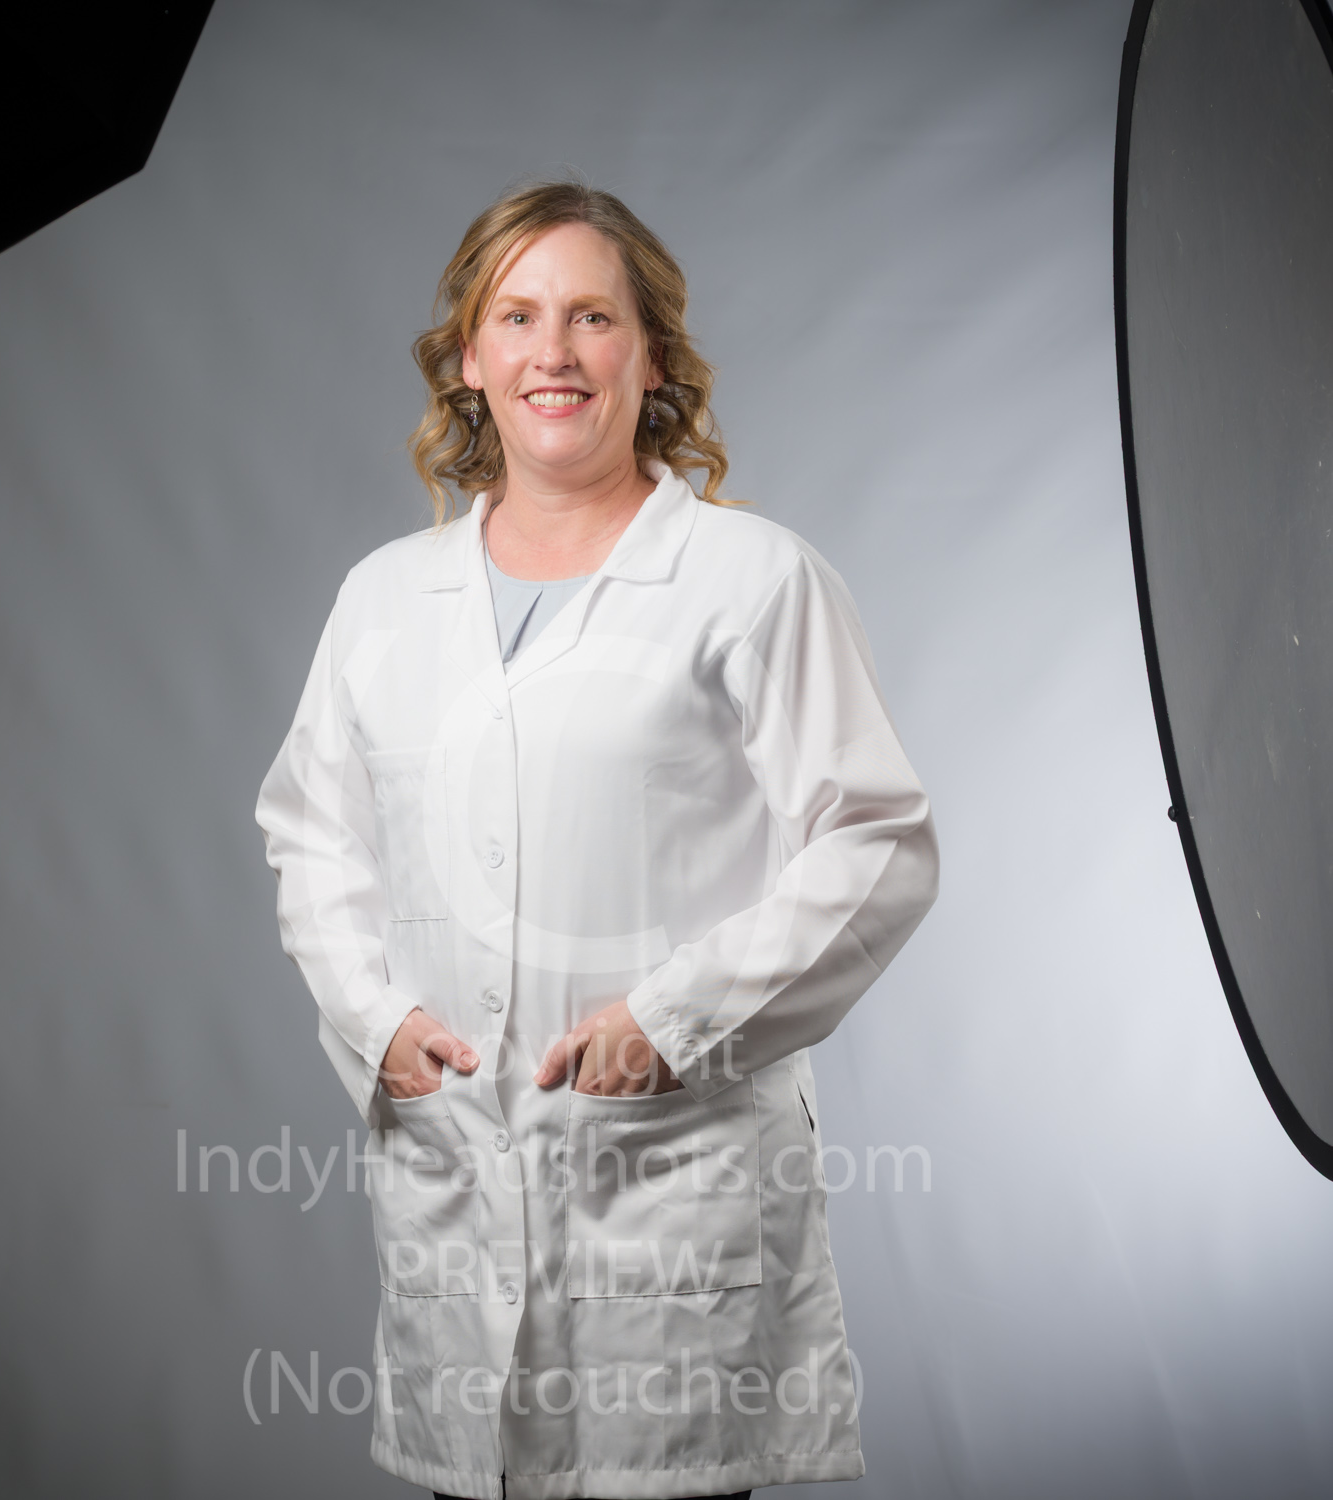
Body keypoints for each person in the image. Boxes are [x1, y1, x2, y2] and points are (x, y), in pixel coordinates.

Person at [255, 180, 938, 1500]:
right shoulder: (384, 602)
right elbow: (310, 835)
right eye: (516, 317)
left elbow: (878, 845)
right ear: (469, 357)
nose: (552, 352)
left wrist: (675, 1020)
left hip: (674, 1199)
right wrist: (376, 1020)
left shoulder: (752, 581)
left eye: (591, 317)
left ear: (652, 356)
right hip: (460, 1197)